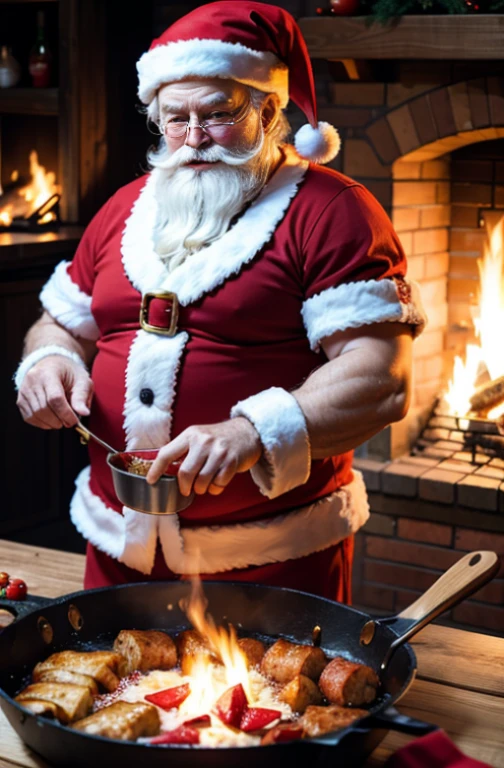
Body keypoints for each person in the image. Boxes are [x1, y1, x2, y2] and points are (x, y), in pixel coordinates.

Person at [14, 2, 425, 597]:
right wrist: (46, 360)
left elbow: (381, 379)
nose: (195, 137)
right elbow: (60, 322)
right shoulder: (123, 207)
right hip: (117, 551)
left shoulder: (334, 210)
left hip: (270, 566)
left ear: (268, 107)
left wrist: (251, 431)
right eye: (175, 119)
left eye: (218, 113)